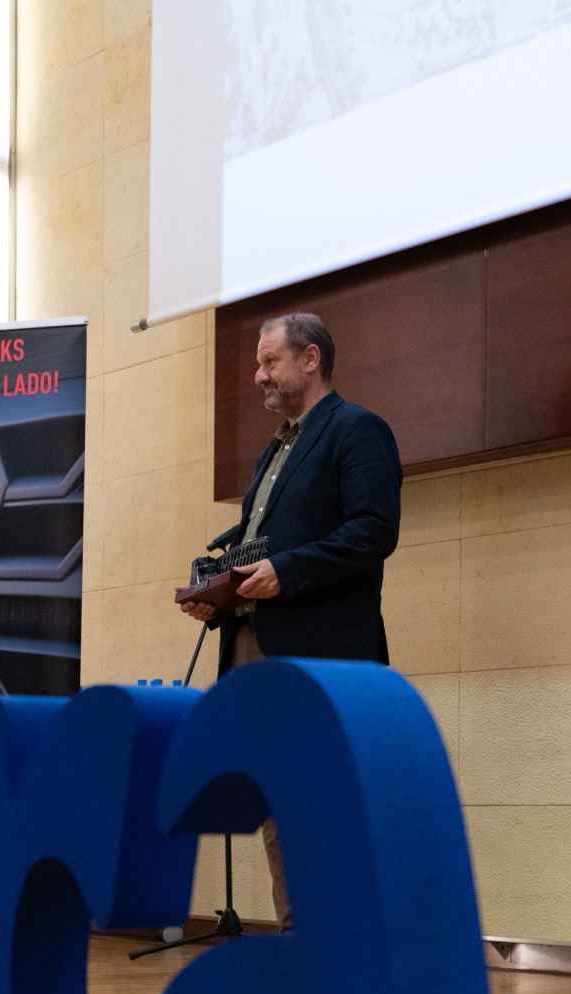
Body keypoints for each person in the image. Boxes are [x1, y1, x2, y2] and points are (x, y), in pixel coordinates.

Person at [179, 311, 402, 928]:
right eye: (258, 363)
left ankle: (341, 939)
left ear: (310, 358)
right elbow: (258, 550)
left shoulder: (357, 430)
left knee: (323, 799)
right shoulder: (272, 453)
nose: (258, 375)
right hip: (255, 644)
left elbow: (374, 530)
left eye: (269, 361)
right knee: (279, 801)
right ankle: (302, 937)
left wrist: (287, 570)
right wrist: (218, 595)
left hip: (319, 654)